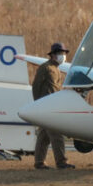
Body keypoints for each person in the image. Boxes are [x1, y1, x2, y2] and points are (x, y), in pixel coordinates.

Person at [31, 42, 75, 170]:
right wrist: (38, 105)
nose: (63, 56)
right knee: (57, 135)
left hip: (53, 107)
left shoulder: (57, 69)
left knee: (44, 136)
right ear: (53, 55)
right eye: (61, 53)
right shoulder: (45, 68)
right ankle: (61, 162)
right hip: (47, 108)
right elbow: (36, 86)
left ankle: (39, 162)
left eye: (64, 53)